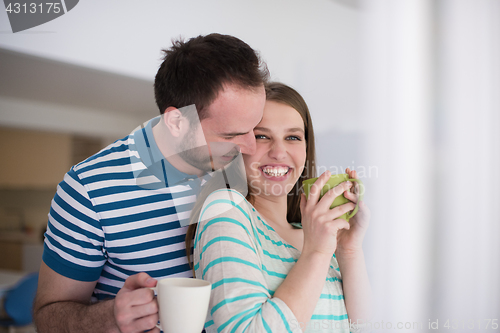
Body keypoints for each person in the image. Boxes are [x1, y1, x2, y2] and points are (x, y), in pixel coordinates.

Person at [33, 33, 269, 333]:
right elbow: (48, 314)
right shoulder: (88, 189)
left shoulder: (245, 170)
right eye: (231, 135)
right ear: (176, 122)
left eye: (254, 128)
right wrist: (110, 317)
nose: (250, 146)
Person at [188, 82, 371, 332]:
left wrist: (348, 250)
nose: (279, 152)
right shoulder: (225, 210)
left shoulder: (316, 235)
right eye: (262, 136)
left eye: (293, 137)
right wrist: (316, 253)